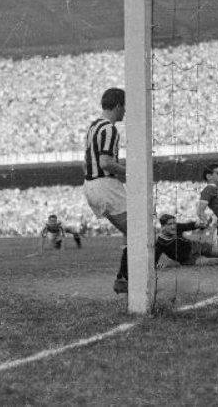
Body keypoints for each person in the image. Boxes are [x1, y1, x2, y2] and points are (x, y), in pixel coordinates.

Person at [83, 87, 129, 294]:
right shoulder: (110, 129)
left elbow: (87, 164)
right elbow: (106, 162)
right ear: (118, 105)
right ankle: (126, 278)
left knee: (132, 231)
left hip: (91, 185)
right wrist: (131, 172)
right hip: (105, 185)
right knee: (139, 231)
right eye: (125, 107)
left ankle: (124, 278)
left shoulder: (93, 126)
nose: (125, 112)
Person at [154, 213, 218, 266]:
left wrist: (198, 225)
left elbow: (188, 226)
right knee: (215, 261)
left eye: (174, 223)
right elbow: (154, 260)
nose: (173, 226)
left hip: (198, 246)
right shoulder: (160, 242)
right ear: (163, 226)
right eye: (170, 224)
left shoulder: (177, 227)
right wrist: (158, 265)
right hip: (190, 259)